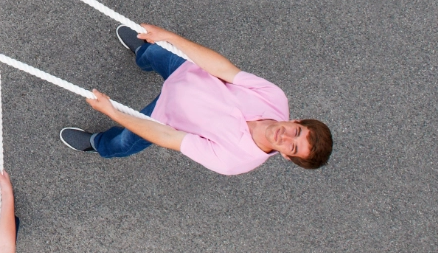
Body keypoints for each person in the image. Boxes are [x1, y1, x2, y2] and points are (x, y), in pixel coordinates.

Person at [60, 23, 333, 170]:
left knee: (124, 140)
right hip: (188, 72)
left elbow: (169, 137)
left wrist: (114, 113)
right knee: (155, 51)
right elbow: (224, 70)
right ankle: (143, 53)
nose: (285, 137)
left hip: (164, 117)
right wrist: (170, 37)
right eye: (297, 132)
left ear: (286, 157)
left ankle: (98, 144)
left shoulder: (236, 160)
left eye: (292, 147)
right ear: (297, 121)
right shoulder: (275, 98)